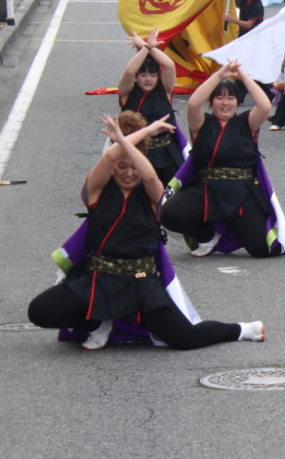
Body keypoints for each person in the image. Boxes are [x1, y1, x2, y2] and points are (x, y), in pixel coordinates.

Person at [27, 111, 266, 351]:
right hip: (99, 280)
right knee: (40, 311)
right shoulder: (97, 192)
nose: (129, 173)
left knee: (187, 338)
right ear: (113, 168)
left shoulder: (151, 194)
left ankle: (241, 329)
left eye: (135, 166)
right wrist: (136, 135)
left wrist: (133, 142)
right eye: (122, 167)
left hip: (140, 284)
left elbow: (150, 175)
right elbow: (111, 155)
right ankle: (95, 323)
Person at [161, 60, 285, 258]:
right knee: (168, 213)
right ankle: (208, 237)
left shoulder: (246, 123)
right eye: (219, 98)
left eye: (231, 98)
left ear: (237, 102)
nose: (225, 103)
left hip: (241, 193)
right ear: (211, 102)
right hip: (206, 190)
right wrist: (220, 74)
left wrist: (242, 75)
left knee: (260, 250)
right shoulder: (202, 124)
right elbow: (194, 102)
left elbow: (264, 105)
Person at [118, 27, 185, 184]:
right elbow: (129, 71)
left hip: (166, 151)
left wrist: (150, 47)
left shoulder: (165, 90)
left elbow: (169, 65)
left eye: (153, 75)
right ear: (137, 77)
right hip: (136, 151)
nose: (148, 79)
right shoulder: (127, 92)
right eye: (143, 75)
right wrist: (145, 48)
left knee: (173, 193)